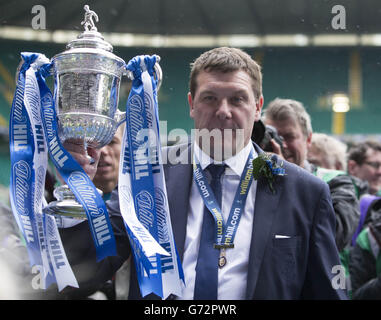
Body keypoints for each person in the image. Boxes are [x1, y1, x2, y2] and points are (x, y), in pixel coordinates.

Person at [60, 47, 346, 300]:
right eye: (210, 98)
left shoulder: (304, 192)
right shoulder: (147, 176)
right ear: (191, 105)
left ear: (257, 108)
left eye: (237, 99)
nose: (223, 112)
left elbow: (326, 291)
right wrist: (78, 189)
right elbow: (85, 263)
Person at [262, 98, 359, 254]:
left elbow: (334, 237)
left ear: (308, 139)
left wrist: (285, 177)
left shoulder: (335, 182)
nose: (281, 144)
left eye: (289, 136)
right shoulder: (252, 180)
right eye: (272, 136)